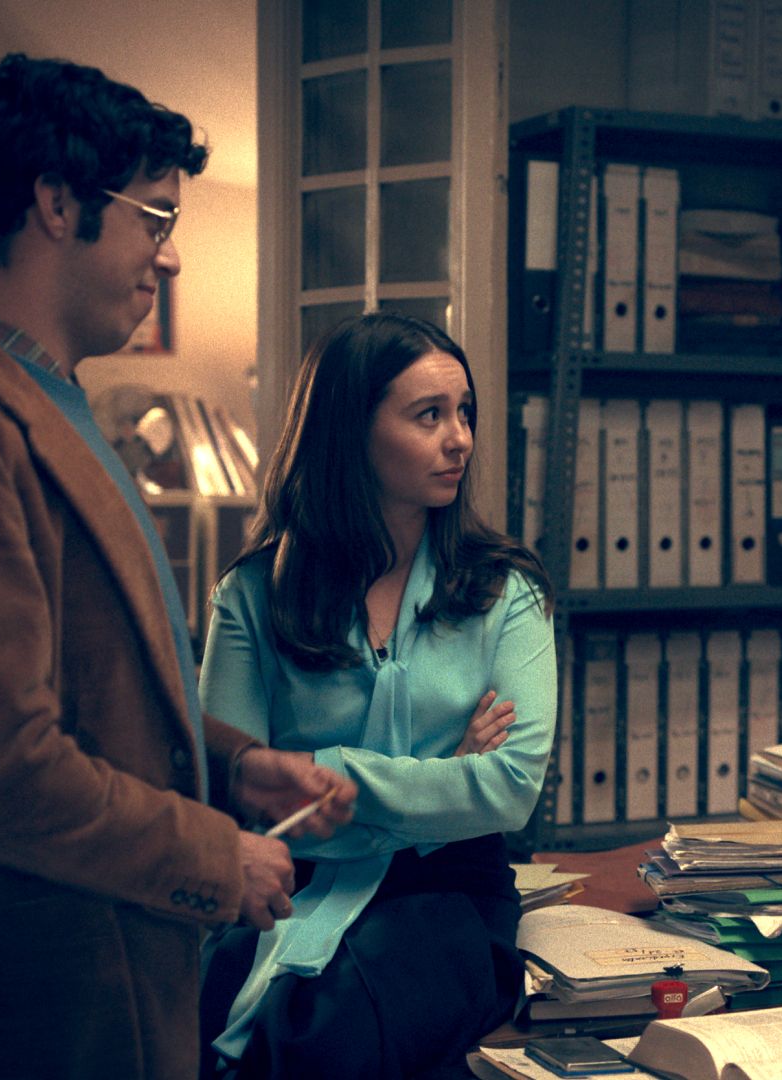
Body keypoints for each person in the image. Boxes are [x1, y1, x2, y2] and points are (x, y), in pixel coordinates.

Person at [0, 55, 355, 1080]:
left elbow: (95, 692)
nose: (167, 256)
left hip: (96, 971)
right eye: (155, 218)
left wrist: (235, 769)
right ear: (58, 204)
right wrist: (215, 856)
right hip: (19, 998)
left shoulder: (49, 399)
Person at [197, 313, 557, 1078]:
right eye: (429, 416)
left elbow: (510, 790)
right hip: (286, 888)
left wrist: (330, 772)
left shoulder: (506, 592)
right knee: (216, 1013)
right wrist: (443, 776)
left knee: (328, 1036)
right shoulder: (253, 595)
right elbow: (232, 788)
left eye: (464, 413)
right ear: (350, 431)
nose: (460, 440)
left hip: (449, 895)